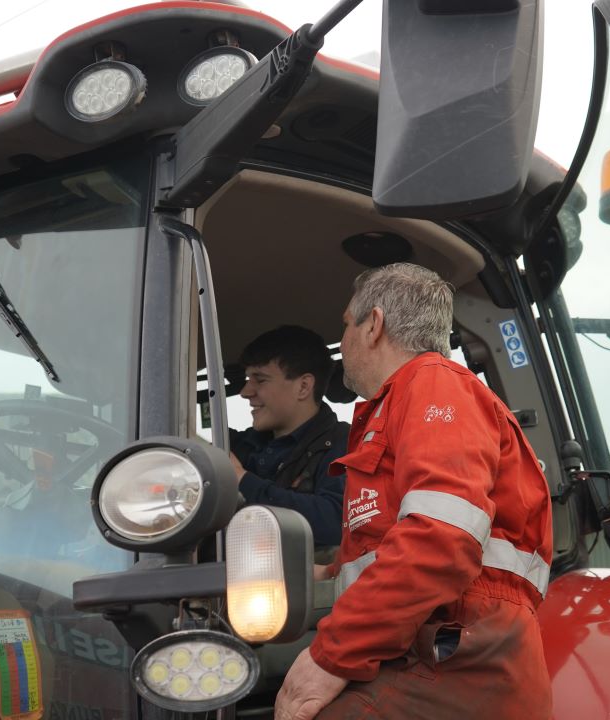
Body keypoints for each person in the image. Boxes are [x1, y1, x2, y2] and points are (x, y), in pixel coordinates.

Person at [275, 264, 554, 719]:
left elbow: (441, 537)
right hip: (439, 649)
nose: (341, 344)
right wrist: (329, 574)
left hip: (455, 659)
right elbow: (412, 540)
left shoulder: (433, 385)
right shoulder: (404, 402)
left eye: (345, 325)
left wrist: (329, 657)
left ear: (374, 325)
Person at [230, 325, 348, 554]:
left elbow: (337, 520)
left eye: (260, 380)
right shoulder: (236, 446)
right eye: (247, 379)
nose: (245, 391)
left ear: (303, 386)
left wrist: (242, 480)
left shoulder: (344, 445)